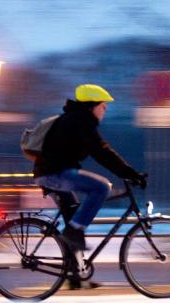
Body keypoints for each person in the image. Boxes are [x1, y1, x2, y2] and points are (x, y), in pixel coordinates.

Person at [33, 84, 147, 251]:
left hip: (52, 173)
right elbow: (101, 151)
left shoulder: (75, 119)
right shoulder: (81, 121)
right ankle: (74, 232)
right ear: (91, 106)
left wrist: (127, 173)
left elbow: (101, 150)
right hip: (54, 174)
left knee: (74, 221)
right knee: (100, 187)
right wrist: (130, 173)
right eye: (102, 104)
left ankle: (74, 272)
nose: (106, 108)